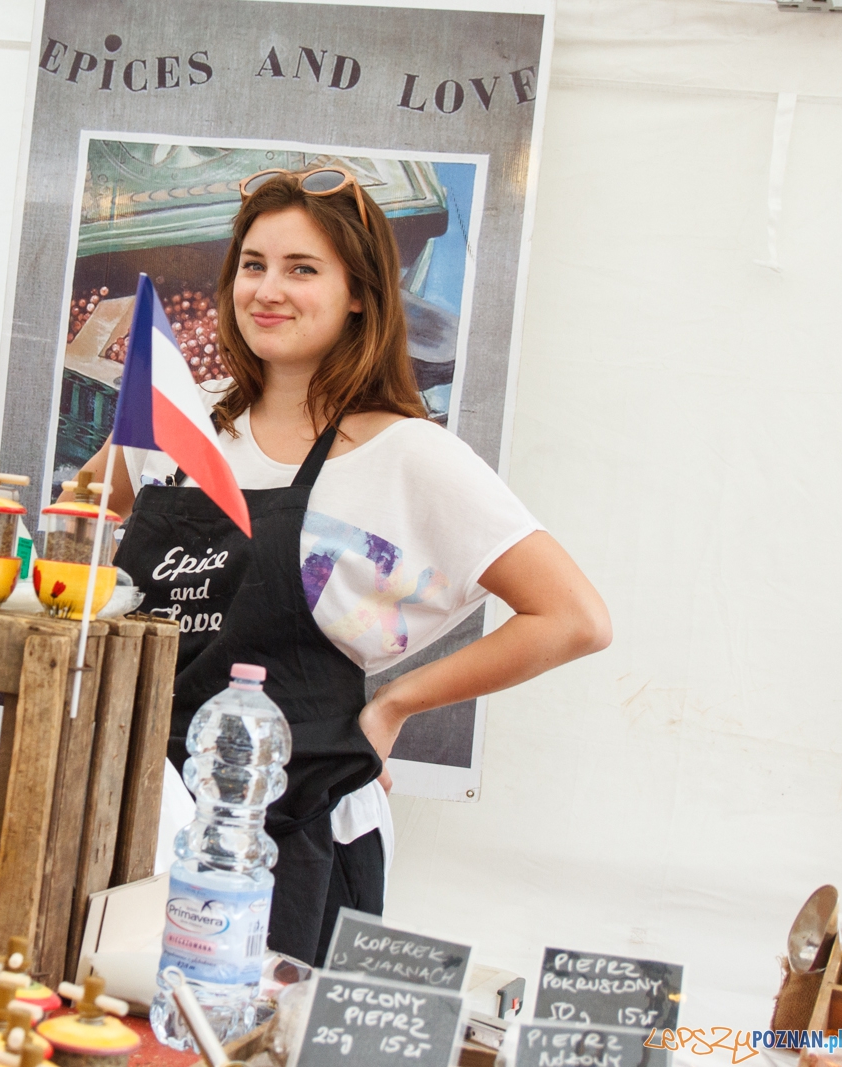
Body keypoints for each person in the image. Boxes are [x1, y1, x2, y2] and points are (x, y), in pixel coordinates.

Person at [75, 169, 611, 967]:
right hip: (131, 815)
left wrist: (392, 708)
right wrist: (109, 467)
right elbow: (74, 534)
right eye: (252, 265)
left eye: (302, 268)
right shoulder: (188, 423)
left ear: (359, 292)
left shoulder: (407, 455)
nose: (268, 289)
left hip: (292, 842)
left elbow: (573, 617)